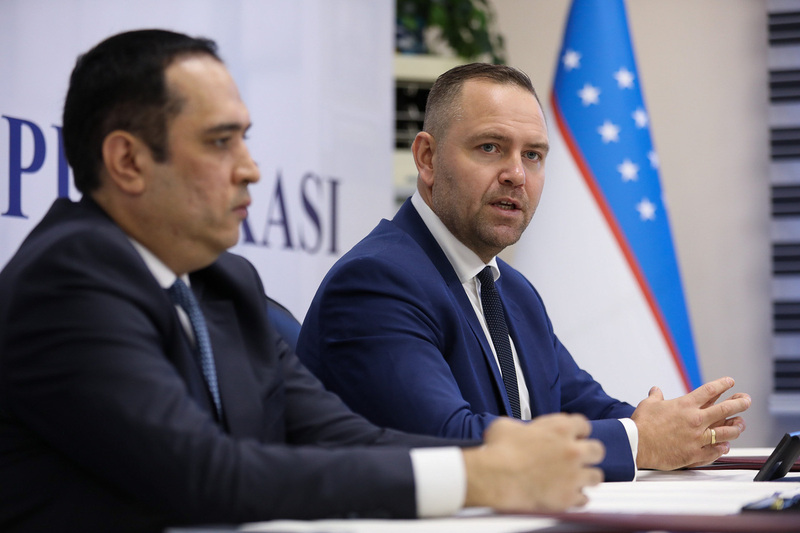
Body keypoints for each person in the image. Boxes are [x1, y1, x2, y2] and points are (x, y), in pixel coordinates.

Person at [0, 32, 606, 533]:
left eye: (245, 137)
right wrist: (479, 476)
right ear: (128, 162)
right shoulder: (67, 278)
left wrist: (500, 457)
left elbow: (344, 438)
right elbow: (207, 476)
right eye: (219, 142)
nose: (251, 168)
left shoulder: (225, 282)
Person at [296, 62, 752, 481]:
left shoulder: (510, 290)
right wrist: (638, 441)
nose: (516, 174)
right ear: (427, 159)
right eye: (490, 147)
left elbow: (584, 408)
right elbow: (448, 440)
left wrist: (682, 431)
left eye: (533, 155)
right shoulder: (376, 283)